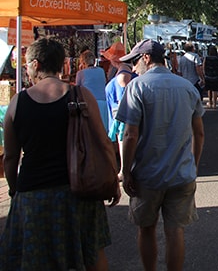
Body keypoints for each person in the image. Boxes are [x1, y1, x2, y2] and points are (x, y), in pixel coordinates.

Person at [1, 38, 120, 270]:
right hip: (81, 190)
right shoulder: (80, 95)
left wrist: (15, 189)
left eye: (26, 65)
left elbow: (11, 157)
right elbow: (103, 143)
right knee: (93, 253)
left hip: (34, 195)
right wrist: (112, 180)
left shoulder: (17, 103)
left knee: (37, 260)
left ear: (35, 64)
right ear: (61, 65)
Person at [116, 39, 205, 271]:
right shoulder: (187, 87)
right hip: (181, 174)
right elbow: (200, 133)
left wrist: (126, 172)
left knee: (146, 228)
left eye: (135, 62)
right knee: (175, 230)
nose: (133, 68)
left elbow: (130, 135)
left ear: (146, 58)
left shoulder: (136, 87)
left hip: (147, 175)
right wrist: (193, 166)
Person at [104, 41, 138, 179]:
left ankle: (125, 170)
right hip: (121, 111)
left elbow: (124, 83)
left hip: (121, 112)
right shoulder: (124, 70)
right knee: (124, 139)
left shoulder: (123, 71)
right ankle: (126, 169)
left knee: (124, 140)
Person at [76, 49, 110, 131]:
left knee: (90, 130)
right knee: (102, 129)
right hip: (103, 102)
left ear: (83, 62)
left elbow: (77, 89)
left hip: (89, 102)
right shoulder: (101, 71)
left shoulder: (81, 73)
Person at [203, 45, 218, 109]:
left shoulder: (206, 58)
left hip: (208, 75)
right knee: (215, 90)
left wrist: (204, 74)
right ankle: (215, 104)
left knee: (209, 89)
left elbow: (203, 66)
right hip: (216, 75)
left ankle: (210, 102)